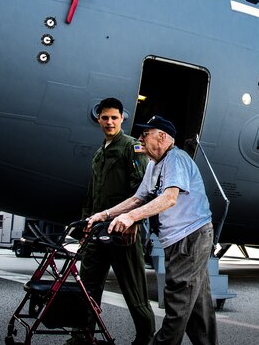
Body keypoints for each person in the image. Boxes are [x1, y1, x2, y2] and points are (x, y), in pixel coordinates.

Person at [86, 115, 218, 345]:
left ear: (162, 136)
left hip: (191, 237)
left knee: (178, 301)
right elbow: (137, 198)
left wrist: (131, 218)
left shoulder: (176, 159)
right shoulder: (155, 165)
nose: (140, 138)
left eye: (145, 134)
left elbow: (169, 198)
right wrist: (105, 215)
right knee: (197, 306)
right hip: (180, 239)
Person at [72, 97, 155, 345]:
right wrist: (86, 223)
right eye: (105, 118)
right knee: (88, 286)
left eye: (114, 118)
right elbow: (92, 192)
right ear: (98, 119)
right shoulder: (100, 154)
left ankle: (145, 337)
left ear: (122, 119)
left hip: (123, 230)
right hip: (98, 230)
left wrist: (134, 222)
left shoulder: (132, 147)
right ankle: (83, 335)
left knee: (134, 289)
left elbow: (141, 190)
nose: (109, 122)